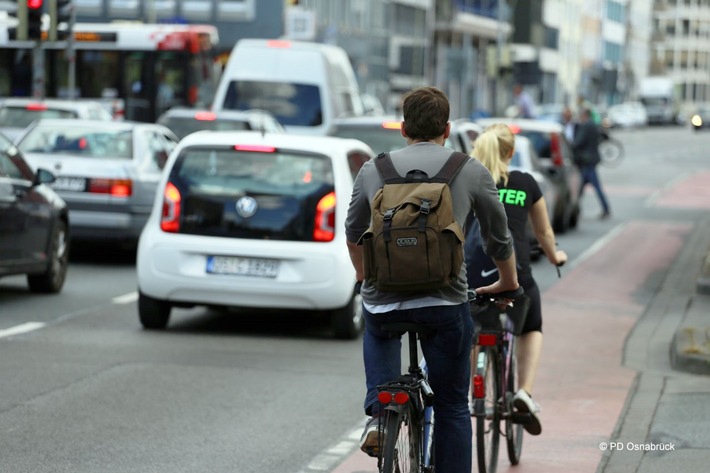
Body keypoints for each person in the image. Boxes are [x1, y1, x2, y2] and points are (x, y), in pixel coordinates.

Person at [345, 86, 519, 473]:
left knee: (377, 325)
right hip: (444, 302)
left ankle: (381, 411)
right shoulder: (469, 169)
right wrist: (507, 282)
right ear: (447, 127)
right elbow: (498, 237)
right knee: (454, 405)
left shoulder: (374, 169)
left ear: (404, 128)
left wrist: (365, 280)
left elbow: (353, 232)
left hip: (384, 301)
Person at [470, 123, 568, 436]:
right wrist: (555, 256)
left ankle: (476, 384)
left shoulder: (467, 181)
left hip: (472, 274)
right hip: (515, 274)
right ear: (511, 152)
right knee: (531, 324)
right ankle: (523, 392)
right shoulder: (525, 182)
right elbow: (543, 232)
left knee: (472, 327)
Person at [572, 108, 611, 219]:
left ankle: (574, 208)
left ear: (584, 115)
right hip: (591, 159)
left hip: (587, 161)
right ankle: (575, 208)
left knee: (589, 187)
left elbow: (578, 142)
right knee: (581, 187)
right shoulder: (593, 125)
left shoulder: (586, 126)